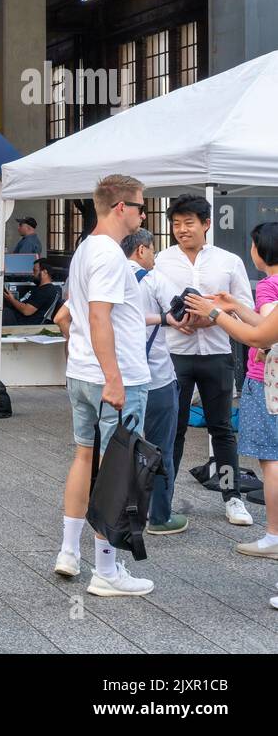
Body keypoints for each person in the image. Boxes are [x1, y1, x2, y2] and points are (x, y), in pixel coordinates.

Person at [52, 174, 155, 597]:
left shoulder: (85, 250)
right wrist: (114, 378)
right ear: (120, 208)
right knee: (115, 472)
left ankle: (68, 552)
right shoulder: (111, 256)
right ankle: (107, 571)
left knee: (84, 458)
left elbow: (69, 316)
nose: (144, 214)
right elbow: (98, 317)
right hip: (115, 378)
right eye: (140, 207)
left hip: (83, 372)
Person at [155, 193, 255, 527]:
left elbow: (243, 306)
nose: (181, 230)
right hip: (174, 355)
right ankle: (162, 498)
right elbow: (152, 306)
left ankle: (232, 496)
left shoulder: (228, 261)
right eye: (176, 224)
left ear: (206, 224)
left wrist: (214, 315)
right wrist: (173, 318)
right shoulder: (160, 260)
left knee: (222, 428)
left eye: (189, 223)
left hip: (217, 353)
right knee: (174, 430)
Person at [184, 222, 278, 575]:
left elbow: (258, 338)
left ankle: (269, 530)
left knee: (269, 459)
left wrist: (216, 314)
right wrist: (235, 306)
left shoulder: (270, 284)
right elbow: (265, 328)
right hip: (262, 381)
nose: (182, 229)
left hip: (268, 384)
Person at [122, 228, 189, 535]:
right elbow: (182, 310)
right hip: (157, 376)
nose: (154, 257)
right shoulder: (153, 279)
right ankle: (160, 517)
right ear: (141, 251)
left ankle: (120, 509)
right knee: (161, 446)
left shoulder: (111, 276)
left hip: (118, 378)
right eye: (152, 251)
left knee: (121, 446)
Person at [0, 259, 63, 326]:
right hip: (12, 315)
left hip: (18, 321)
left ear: (44, 272)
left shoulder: (46, 290)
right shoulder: (39, 288)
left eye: (35, 271)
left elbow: (27, 311)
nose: (33, 274)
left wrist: (12, 300)